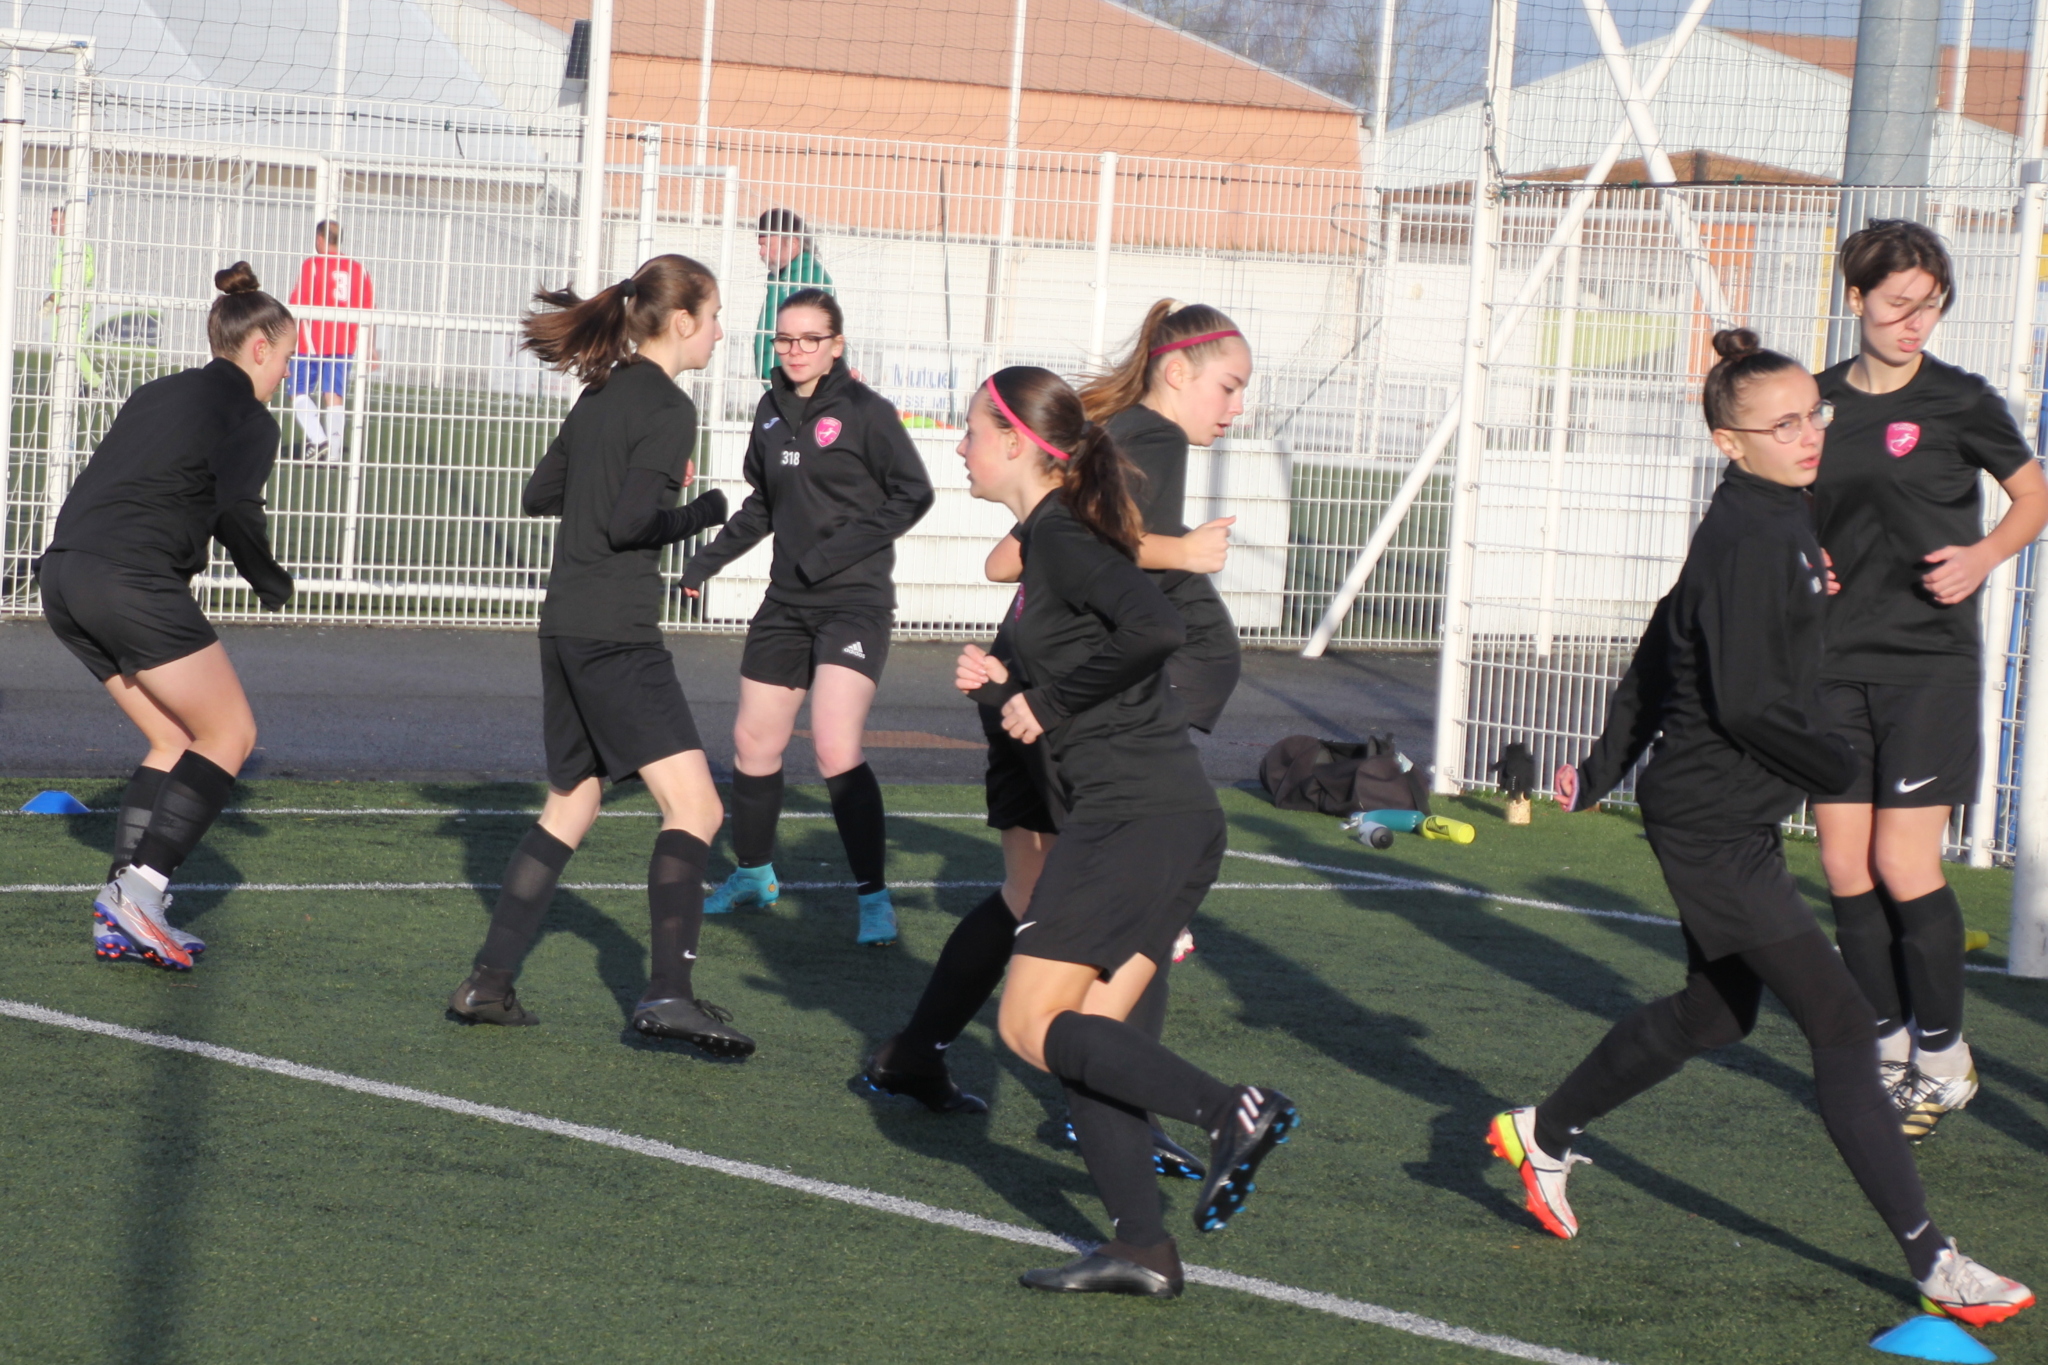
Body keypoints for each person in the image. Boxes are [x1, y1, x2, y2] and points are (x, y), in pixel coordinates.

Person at [1491, 330, 2032, 1328]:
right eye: (1779, 424)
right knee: (1836, 1022)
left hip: (1724, 813)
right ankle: (1932, 1262)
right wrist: (1842, 769)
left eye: (1809, 414)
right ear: (1726, 442)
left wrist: (1603, 761)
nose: (1805, 435)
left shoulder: (1776, 515)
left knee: (1714, 1013)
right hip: (1710, 824)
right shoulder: (1750, 536)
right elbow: (1742, 705)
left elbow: (1663, 634)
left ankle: (1544, 1130)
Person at [859, 302, 1255, 1176]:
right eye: (1227, 387)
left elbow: (1043, 549)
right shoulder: (1147, 436)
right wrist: (1179, 556)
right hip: (1089, 717)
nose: (1235, 410)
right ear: (1177, 372)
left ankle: (922, 1052)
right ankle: (1116, 1104)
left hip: (1054, 704)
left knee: (1033, 894)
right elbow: (1029, 559)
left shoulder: (1129, 440)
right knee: (1122, 919)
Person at [952, 365, 1297, 1298]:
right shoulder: (1052, 538)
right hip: (1167, 815)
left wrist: (1050, 698)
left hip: (1135, 817)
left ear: (1018, 442)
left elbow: (1150, 625)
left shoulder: (1062, 534)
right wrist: (1005, 691)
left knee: (1030, 1025)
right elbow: (1090, 666)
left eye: (974, 432)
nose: (962, 448)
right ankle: (1142, 1247)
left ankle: (1232, 1109)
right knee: (1093, 1034)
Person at [445, 254, 751, 1058]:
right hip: (617, 632)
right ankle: (668, 996)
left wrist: (611, 479)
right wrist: (703, 511)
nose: (720, 330)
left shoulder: (601, 391)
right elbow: (626, 523)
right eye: (715, 314)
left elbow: (541, 495)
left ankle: (488, 980)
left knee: (571, 803)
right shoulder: (668, 408)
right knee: (698, 809)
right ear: (681, 322)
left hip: (564, 625)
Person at [1810, 220, 2048, 1141]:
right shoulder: (1816, 401)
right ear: (1857, 297)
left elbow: (2035, 495)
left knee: (1903, 860)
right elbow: (1781, 501)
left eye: (1932, 305)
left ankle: (1945, 1059)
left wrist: (1985, 555)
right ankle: (1888, 1045)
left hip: (1926, 666)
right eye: (1900, 303)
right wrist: (1806, 562)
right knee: (1840, 861)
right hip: (1830, 663)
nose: (1916, 322)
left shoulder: (1961, 400)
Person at [36, 262, 296, 971]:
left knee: (173, 737)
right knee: (232, 732)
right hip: (130, 580)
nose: (286, 372)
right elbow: (236, 510)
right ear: (259, 347)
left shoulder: (158, 391)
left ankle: (119, 908)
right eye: (287, 356)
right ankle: (142, 892)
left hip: (63, 572)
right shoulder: (249, 414)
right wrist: (269, 578)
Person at [682, 288, 934, 947]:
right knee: (753, 744)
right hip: (785, 603)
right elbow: (763, 504)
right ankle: (755, 874)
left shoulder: (866, 413)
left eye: (810, 339)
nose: (796, 351)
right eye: (785, 340)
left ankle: (874, 898)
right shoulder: (769, 411)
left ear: (836, 345)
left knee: (833, 745)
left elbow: (916, 493)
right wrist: (705, 564)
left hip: (854, 602)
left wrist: (834, 552)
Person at [287, 220, 375, 457]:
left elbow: (298, 304)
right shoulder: (359, 270)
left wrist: (288, 341)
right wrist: (370, 348)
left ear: (319, 239)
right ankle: (334, 453)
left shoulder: (313, 265)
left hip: (311, 341)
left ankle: (319, 439)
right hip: (343, 342)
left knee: (298, 390)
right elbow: (369, 311)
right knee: (334, 395)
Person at [753, 209, 832, 382]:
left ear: (793, 243)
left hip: (797, 387)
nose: (762, 253)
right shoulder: (783, 277)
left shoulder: (807, 278)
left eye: (767, 245)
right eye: (760, 246)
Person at [43, 204, 100, 392]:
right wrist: (53, 299)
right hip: (62, 303)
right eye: (52, 220)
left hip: (75, 304)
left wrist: (68, 300)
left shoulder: (79, 245)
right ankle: (69, 383)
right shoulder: (61, 245)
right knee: (59, 341)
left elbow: (87, 274)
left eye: (57, 220)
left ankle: (96, 384)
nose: (53, 224)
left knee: (72, 343)